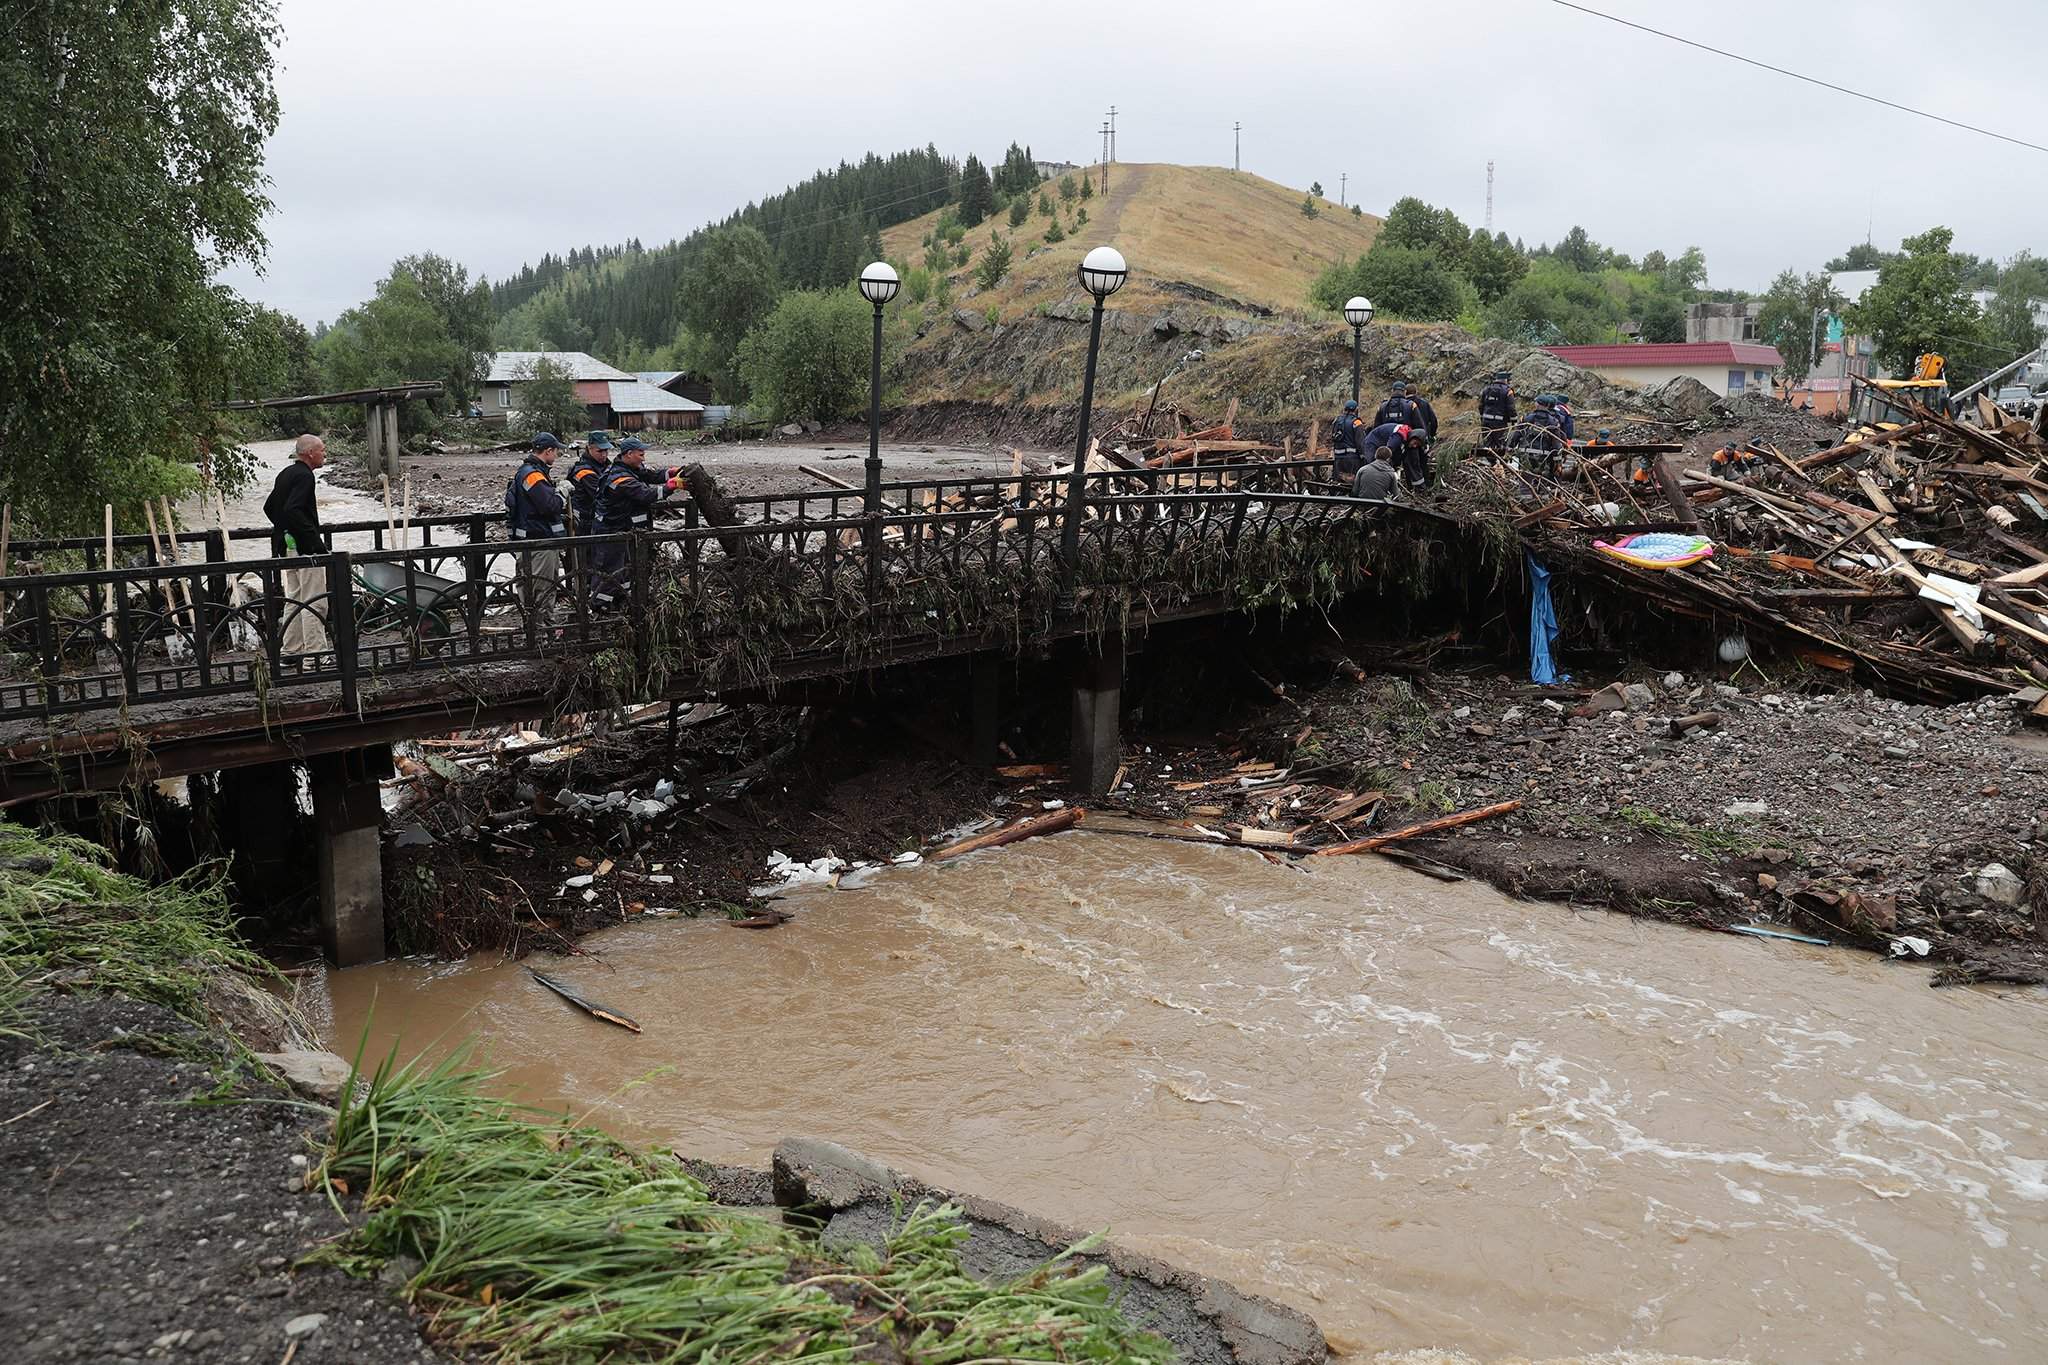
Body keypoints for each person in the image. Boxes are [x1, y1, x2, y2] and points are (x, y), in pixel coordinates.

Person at [261, 433, 332, 659]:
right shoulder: (304, 476)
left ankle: (291, 651)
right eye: (322, 450)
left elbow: (270, 507)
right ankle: (316, 655)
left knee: (294, 600)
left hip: (287, 546)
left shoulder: (285, 473)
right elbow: (293, 509)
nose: (324, 454)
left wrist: (283, 530)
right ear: (310, 453)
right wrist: (313, 540)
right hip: (305, 548)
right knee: (314, 601)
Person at [590, 437, 683, 604]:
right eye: (641, 454)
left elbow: (650, 475)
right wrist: (672, 485)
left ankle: (621, 601)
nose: (644, 458)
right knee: (609, 570)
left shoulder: (629, 467)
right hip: (610, 531)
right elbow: (647, 495)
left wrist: (671, 472)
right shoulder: (619, 478)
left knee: (624, 570)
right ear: (629, 454)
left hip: (623, 529)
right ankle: (599, 608)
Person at [505, 432, 566, 618]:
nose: (556, 456)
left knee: (528, 589)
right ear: (548, 451)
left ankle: (533, 630)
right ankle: (541, 635)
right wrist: (562, 494)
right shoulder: (533, 475)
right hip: (540, 542)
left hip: (528, 540)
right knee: (543, 589)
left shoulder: (526, 471)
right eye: (556, 452)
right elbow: (549, 506)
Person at [1510, 396, 1567, 478]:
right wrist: (1557, 463)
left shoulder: (1526, 418)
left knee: (1525, 482)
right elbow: (1556, 444)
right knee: (1541, 482)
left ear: (1537, 404)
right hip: (1544, 459)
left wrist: (1509, 450)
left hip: (1526, 457)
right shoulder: (1553, 422)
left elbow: (1516, 435)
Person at [567, 432, 613, 532]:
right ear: (589, 448)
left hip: (594, 517)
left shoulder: (604, 465)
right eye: (600, 451)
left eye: (606, 450)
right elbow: (604, 495)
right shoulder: (585, 472)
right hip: (585, 521)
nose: (604, 454)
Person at [1478, 369, 1516, 456]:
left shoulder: (1487, 389)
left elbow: (1481, 406)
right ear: (1505, 380)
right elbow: (1511, 408)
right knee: (1499, 445)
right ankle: (1498, 464)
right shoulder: (1508, 391)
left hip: (1486, 422)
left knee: (1487, 444)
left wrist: (1483, 417)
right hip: (1500, 424)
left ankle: (1487, 463)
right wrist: (1514, 421)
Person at [1331, 399, 1367, 477]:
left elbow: (1333, 437)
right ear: (1356, 409)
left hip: (1338, 458)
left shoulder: (1336, 421)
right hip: (1352, 459)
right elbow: (1360, 441)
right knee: (1352, 483)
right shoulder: (1356, 422)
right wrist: (1363, 455)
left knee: (1339, 482)